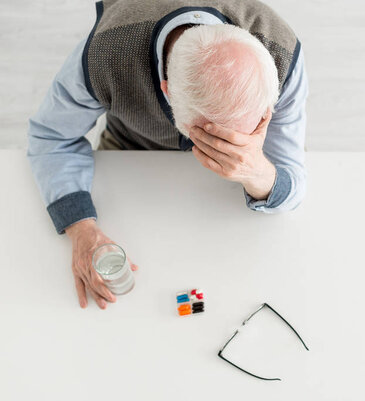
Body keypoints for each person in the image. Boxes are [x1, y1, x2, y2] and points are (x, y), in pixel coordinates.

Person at [27, 0, 308, 310]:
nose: (233, 146)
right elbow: (51, 137)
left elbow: (291, 180)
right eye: (215, 138)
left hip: (227, 201)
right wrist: (79, 226)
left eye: (254, 128)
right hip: (129, 151)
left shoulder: (282, 53)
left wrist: (255, 171)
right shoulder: (103, 55)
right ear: (168, 91)